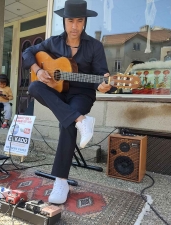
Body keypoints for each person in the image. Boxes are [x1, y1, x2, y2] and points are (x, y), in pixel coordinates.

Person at [22, 0, 114, 204]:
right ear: (64, 21)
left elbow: (102, 76)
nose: (74, 26)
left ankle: (60, 181)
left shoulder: (95, 46)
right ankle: (81, 120)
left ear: (85, 22)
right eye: (70, 21)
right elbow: (27, 52)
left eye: (79, 21)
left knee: (68, 124)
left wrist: (104, 84)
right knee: (34, 87)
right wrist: (38, 70)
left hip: (82, 95)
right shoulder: (52, 42)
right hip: (59, 93)